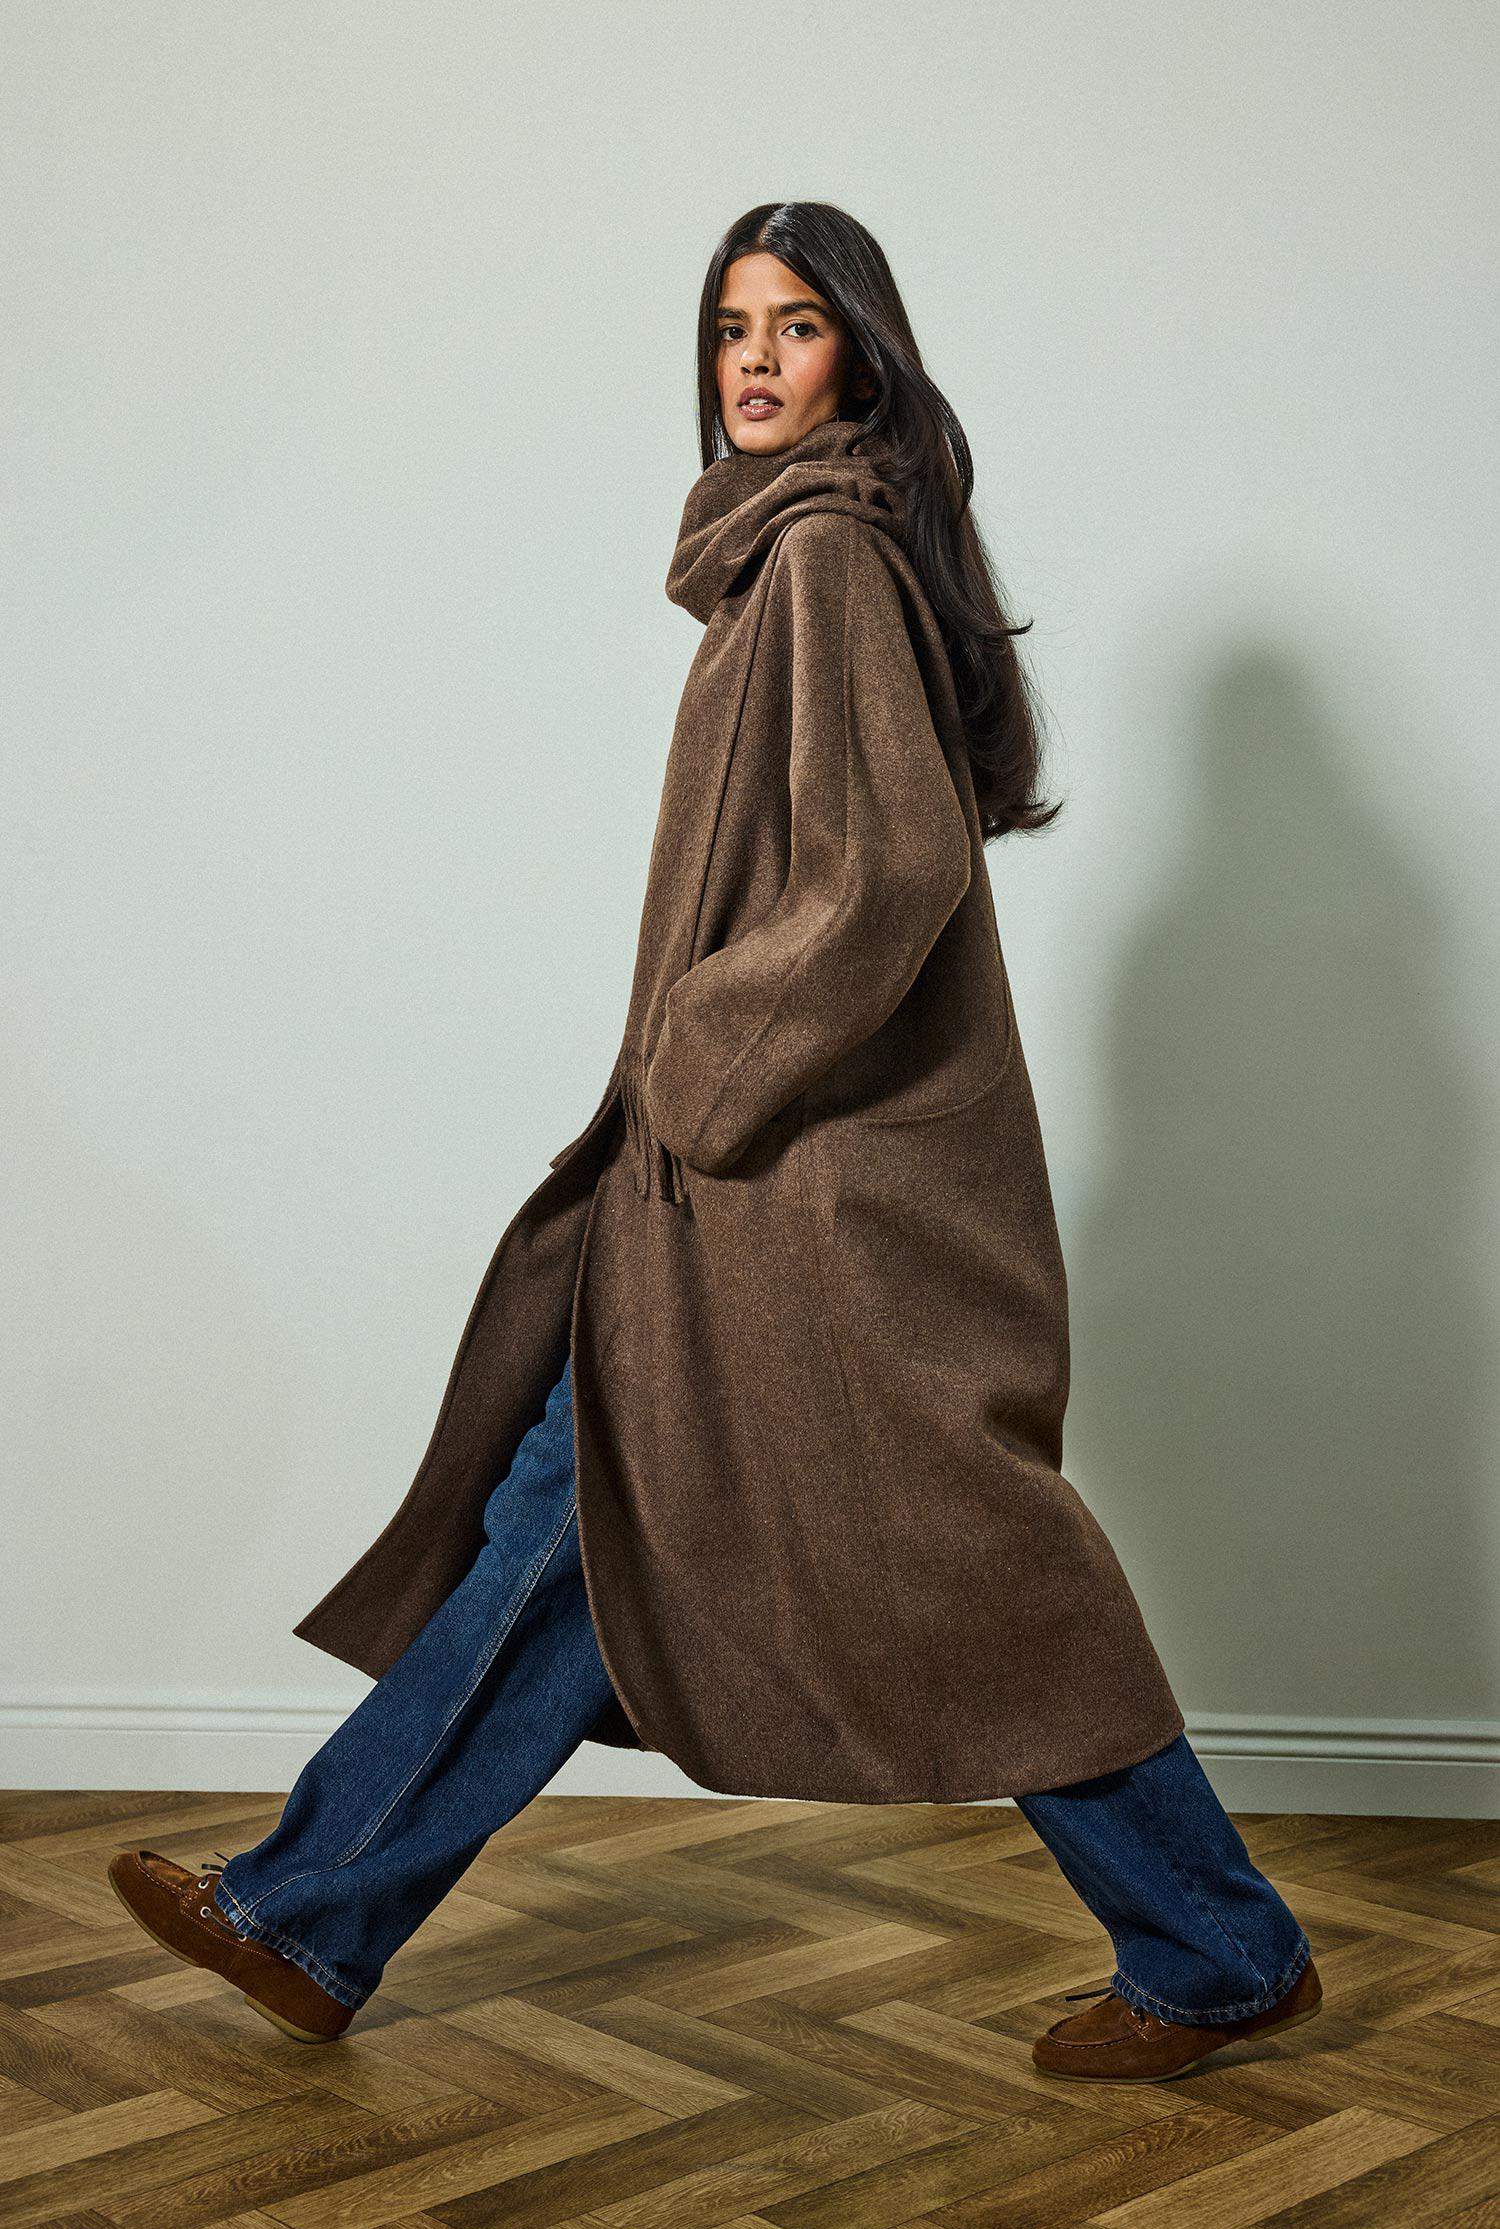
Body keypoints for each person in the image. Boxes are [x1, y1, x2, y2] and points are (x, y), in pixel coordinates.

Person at [109, 203, 1321, 2082]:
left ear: (864, 359)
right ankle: (314, 1906)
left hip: (817, 1194)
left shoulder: (823, 553)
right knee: (583, 1519)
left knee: (972, 1567)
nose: (755, 358)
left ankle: (1223, 1944)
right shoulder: (788, 558)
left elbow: (887, 867)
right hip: (749, 1184)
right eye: (733, 326)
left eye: (798, 325)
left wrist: (699, 1062)